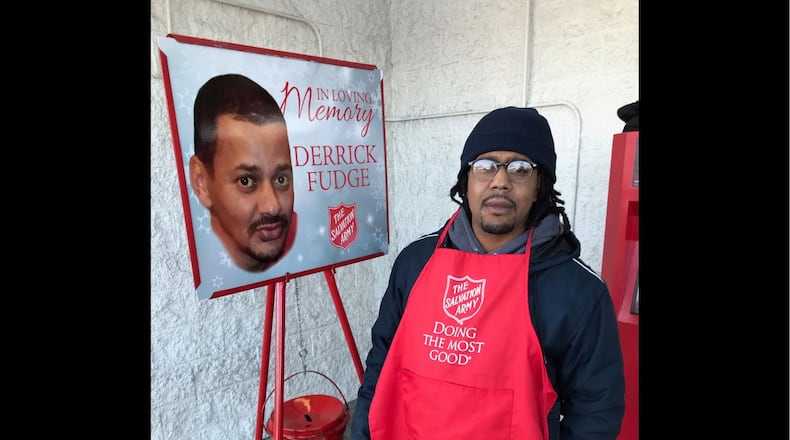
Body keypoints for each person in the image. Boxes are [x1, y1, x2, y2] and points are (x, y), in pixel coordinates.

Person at [350, 106, 625, 439]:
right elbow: (381, 365)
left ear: (540, 185)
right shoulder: (415, 263)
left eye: (520, 168)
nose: (500, 181)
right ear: (466, 179)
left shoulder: (578, 291)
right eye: (485, 166)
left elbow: (595, 412)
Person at [189, 73, 297, 273]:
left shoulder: (299, 236)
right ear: (200, 181)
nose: (272, 206)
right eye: (246, 181)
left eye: (281, 179)